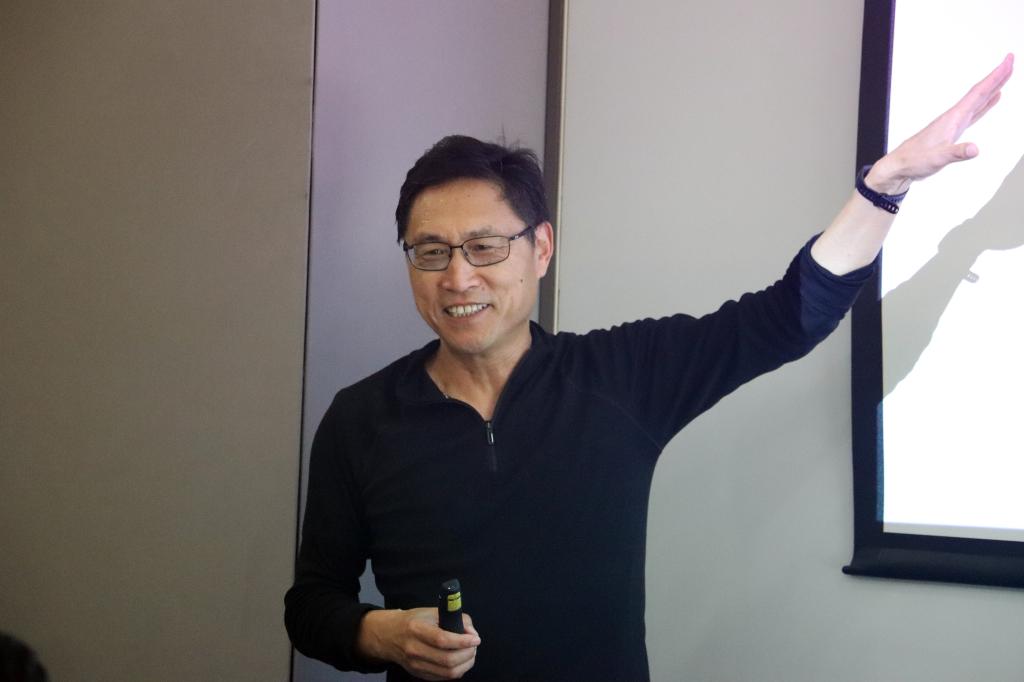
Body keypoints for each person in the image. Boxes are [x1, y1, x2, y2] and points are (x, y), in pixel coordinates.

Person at [285, 56, 1014, 681]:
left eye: (484, 247)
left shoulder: (620, 376)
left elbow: (789, 316)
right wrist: (379, 633)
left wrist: (885, 185)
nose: (458, 277)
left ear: (541, 249)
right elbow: (311, 605)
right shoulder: (362, 418)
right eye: (431, 252)